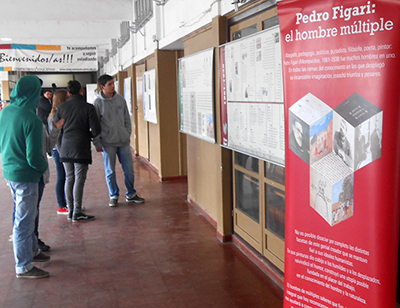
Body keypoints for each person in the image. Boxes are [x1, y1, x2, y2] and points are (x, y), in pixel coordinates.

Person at [0, 75, 50, 279]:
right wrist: (43, 167)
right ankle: (23, 266)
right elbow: (34, 156)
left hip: (10, 171)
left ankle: (31, 251)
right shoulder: (32, 120)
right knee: (24, 221)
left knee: (27, 215)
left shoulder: (6, 112)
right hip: (27, 176)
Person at [93, 74, 144, 207]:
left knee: (129, 169)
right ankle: (113, 195)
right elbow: (95, 125)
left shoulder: (120, 99)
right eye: (110, 84)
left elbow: (127, 118)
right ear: (103, 87)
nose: (113, 86)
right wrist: (97, 142)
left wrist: (127, 133)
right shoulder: (98, 103)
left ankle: (131, 193)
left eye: (113, 83)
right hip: (107, 143)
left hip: (123, 142)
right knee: (110, 171)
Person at [54, 80, 101, 222]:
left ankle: (70, 210)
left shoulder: (62, 107)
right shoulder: (88, 107)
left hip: (65, 147)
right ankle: (77, 212)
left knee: (69, 178)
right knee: (79, 179)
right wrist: (89, 135)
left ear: (69, 93)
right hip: (81, 147)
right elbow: (97, 129)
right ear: (82, 90)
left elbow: (56, 126)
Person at [48, 90, 69, 215]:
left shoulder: (59, 114)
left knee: (67, 177)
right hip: (59, 151)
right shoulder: (54, 117)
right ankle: (62, 205)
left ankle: (68, 203)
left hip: (62, 149)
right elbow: (54, 137)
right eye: (66, 98)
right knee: (62, 177)